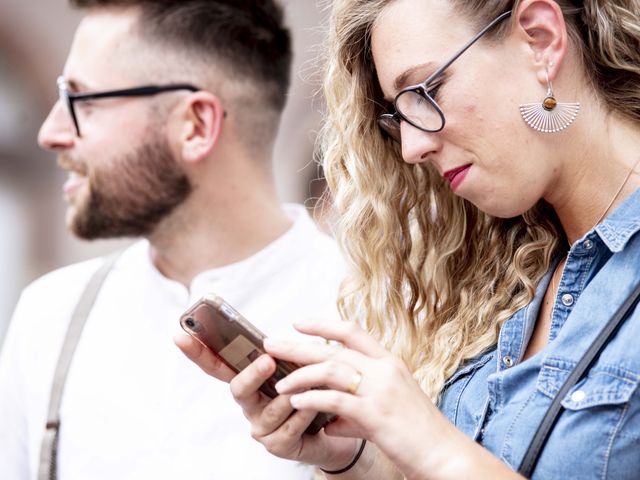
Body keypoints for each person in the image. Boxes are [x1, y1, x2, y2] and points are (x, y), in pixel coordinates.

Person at [178, 0, 640, 478]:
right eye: (398, 117)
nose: (412, 147)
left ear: (540, 39)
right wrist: (358, 456)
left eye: (426, 91)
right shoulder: (511, 277)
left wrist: (430, 442)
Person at [0, 1, 345, 479]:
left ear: (197, 125)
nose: (50, 132)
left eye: (83, 101)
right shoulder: (49, 318)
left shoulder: (374, 310)